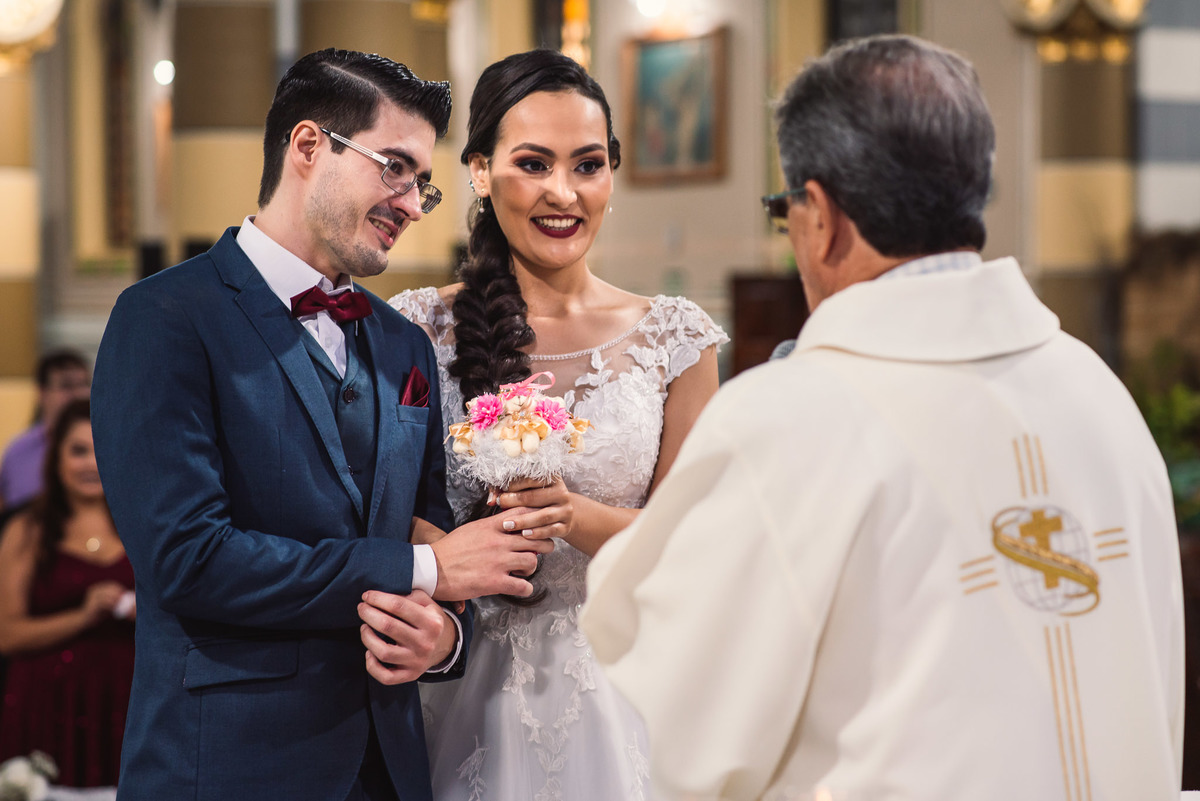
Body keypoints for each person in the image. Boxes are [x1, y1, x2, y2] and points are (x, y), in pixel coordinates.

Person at [581, 34, 1184, 801]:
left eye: (785, 210)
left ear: (822, 216)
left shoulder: (787, 418)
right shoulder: (1100, 395)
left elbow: (680, 724)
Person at [90, 48, 552, 801]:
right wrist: (426, 571)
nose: (410, 202)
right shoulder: (165, 317)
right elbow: (190, 558)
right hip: (226, 769)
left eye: (423, 185)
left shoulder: (403, 342)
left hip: (389, 769)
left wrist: (440, 640)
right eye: (395, 168)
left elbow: (429, 529)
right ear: (309, 146)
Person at [388, 49, 727, 800]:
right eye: (533, 164)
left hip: (623, 690)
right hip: (457, 677)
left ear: (613, 172)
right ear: (479, 170)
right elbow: (380, 513)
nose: (563, 193)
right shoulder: (415, 328)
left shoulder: (676, 338)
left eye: (588, 165)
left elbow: (694, 542)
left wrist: (574, 514)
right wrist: (452, 551)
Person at [0, 399, 134, 788]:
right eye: (78, 450)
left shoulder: (141, 520)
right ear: (55, 456)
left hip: (128, 701)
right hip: (47, 706)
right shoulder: (29, 529)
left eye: (100, 447)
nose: (92, 463)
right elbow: (7, 633)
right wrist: (83, 615)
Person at [0, 350, 90, 511]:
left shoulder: (104, 446)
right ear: (41, 392)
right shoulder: (18, 451)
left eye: (84, 384)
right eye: (66, 386)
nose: (79, 394)